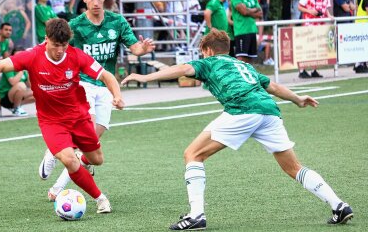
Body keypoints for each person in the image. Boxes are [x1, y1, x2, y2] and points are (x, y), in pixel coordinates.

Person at [121, 28, 354, 230]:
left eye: (203, 52)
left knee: (193, 154)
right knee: (293, 167)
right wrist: (297, 99)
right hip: (269, 111)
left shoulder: (208, 62)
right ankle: (339, 205)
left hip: (242, 110)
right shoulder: (243, 65)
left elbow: (182, 69)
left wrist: (144, 77)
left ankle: (196, 216)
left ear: (208, 50)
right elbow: (272, 86)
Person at [0, 18, 124, 213]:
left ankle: (55, 151)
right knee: (69, 160)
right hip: (51, 121)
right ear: (46, 39)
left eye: (64, 45)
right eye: (55, 45)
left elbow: (106, 76)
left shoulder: (76, 56)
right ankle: (100, 199)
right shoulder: (32, 56)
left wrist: (117, 95)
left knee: (97, 160)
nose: (60, 50)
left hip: (78, 117)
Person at [40, 0, 155, 202]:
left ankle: (56, 183)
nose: (95, 2)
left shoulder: (117, 22)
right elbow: (53, 48)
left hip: (105, 85)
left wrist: (142, 48)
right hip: (82, 83)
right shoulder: (75, 26)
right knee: (87, 130)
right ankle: (56, 151)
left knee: (89, 144)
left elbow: (134, 48)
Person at [298, 0, 332, 79]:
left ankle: (314, 70)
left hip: (320, 25)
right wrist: (310, 11)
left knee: (317, 48)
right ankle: (302, 70)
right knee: (306, 48)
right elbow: (299, 7)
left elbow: (326, 8)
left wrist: (329, 16)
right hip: (308, 24)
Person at [231, 0, 262, 64]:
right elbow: (243, 12)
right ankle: (239, 77)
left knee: (250, 59)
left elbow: (260, 13)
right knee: (241, 58)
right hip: (241, 31)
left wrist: (248, 10)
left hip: (252, 30)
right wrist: (254, 10)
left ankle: (248, 77)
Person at [0, 50, 34, 116]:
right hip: (4, 98)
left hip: (17, 96)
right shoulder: (8, 67)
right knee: (21, 85)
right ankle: (16, 108)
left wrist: (29, 72)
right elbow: (13, 82)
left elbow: (31, 86)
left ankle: (18, 106)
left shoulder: (25, 69)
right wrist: (22, 70)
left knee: (39, 92)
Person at [354, 0, 368, 73]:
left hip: (359, 23)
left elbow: (357, 7)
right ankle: (360, 64)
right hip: (364, 24)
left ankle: (359, 64)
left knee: (361, 45)